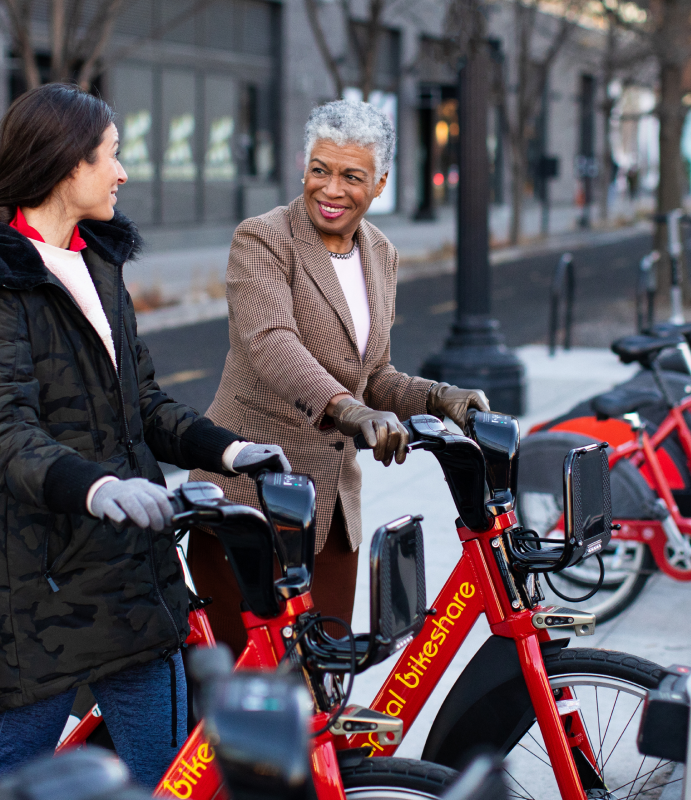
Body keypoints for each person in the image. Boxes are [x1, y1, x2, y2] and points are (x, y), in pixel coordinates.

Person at [0, 84, 288, 797]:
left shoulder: (95, 260)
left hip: (134, 575)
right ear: (67, 166)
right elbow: (1, 435)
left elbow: (143, 404)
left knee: (166, 780)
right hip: (45, 587)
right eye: (112, 156)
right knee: (15, 780)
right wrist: (100, 487)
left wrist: (230, 451)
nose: (123, 173)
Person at [187, 99, 490, 654]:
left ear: (379, 183)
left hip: (330, 512)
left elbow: (371, 375)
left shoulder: (381, 253)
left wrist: (437, 397)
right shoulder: (263, 238)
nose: (331, 190)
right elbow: (270, 343)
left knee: (320, 684)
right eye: (320, 170)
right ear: (303, 167)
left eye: (352, 176)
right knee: (242, 693)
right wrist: (348, 409)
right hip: (249, 499)